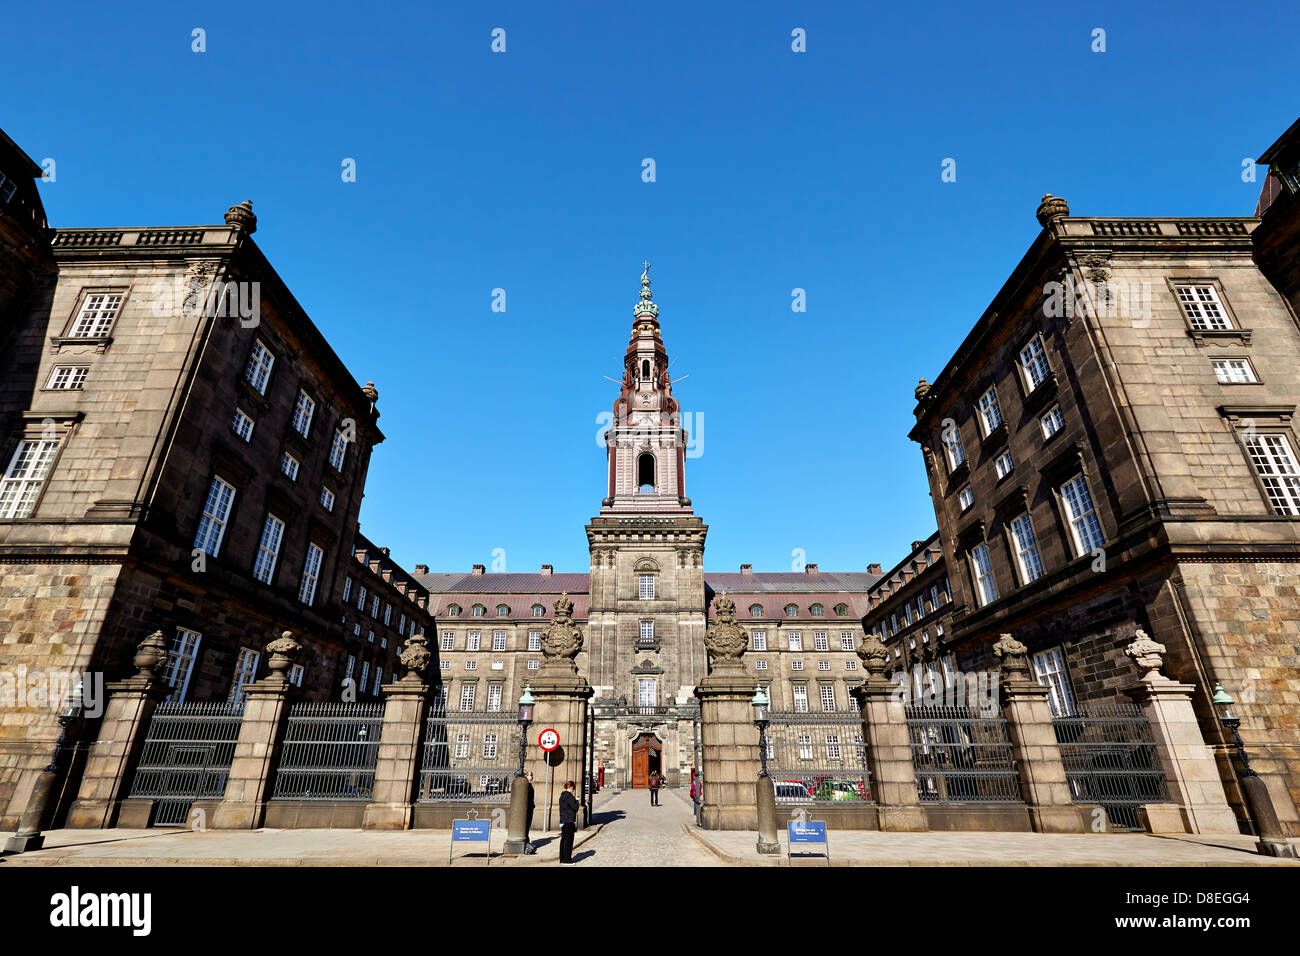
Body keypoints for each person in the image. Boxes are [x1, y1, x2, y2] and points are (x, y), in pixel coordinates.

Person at [558, 780, 579, 865]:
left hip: (563, 820)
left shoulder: (562, 796)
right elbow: (575, 808)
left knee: (563, 840)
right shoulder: (570, 797)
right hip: (569, 820)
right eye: (573, 789)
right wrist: (577, 800)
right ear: (570, 788)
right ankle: (567, 860)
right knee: (569, 841)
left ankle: (562, 858)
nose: (573, 791)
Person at [523, 770, 536, 854]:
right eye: (530, 775)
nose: (531, 777)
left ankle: (527, 841)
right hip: (527, 809)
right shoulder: (525, 785)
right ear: (526, 776)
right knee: (526, 826)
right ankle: (526, 843)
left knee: (528, 826)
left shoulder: (529, 785)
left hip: (530, 808)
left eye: (532, 775)